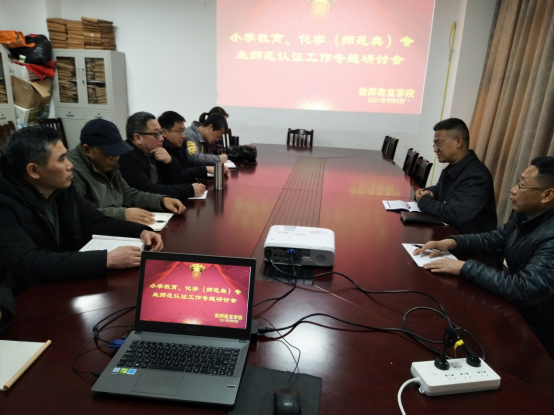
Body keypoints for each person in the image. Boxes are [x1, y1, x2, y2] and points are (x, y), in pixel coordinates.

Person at [0, 127, 163, 331]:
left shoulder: (61, 187)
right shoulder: (4, 203)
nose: (70, 165)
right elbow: (30, 263)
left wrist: (140, 231)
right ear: (34, 171)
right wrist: (106, 259)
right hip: (25, 305)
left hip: (63, 287)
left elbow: (94, 220)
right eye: (61, 159)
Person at [414, 157, 554, 358]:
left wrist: (463, 267)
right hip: (513, 310)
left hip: (537, 333)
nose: (513, 190)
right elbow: (494, 239)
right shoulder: (526, 215)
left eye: (522, 185)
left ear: (547, 195)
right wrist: (452, 242)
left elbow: (525, 288)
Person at [68, 119, 186, 226]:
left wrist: (161, 201)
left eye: (118, 152)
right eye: (109, 153)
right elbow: (78, 213)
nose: (115, 158)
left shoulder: (107, 164)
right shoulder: (71, 171)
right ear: (87, 150)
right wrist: (122, 214)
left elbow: (128, 194)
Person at [415, 118, 497, 235]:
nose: (435, 149)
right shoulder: (456, 166)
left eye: (439, 143)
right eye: (434, 144)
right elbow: (441, 189)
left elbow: (455, 214)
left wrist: (424, 200)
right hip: (450, 233)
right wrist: (427, 192)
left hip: (468, 242)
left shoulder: (476, 176)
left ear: (458, 142)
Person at [118, 112, 206, 200]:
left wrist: (170, 162)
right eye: (156, 134)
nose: (161, 138)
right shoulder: (126, 156)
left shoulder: (156, 150)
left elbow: (176, 181)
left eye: (161, 133)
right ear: (138, 138)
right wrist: (189, 190)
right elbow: (147, 190)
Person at [158, 111, 229, 182]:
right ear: (164, 132)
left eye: (183, 130)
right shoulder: (162, 149)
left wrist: (213, 166)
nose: (183, 136)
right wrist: (214, 162)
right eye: (179, 131)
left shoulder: (178, 144)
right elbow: (192, 160)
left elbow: (185, 169)